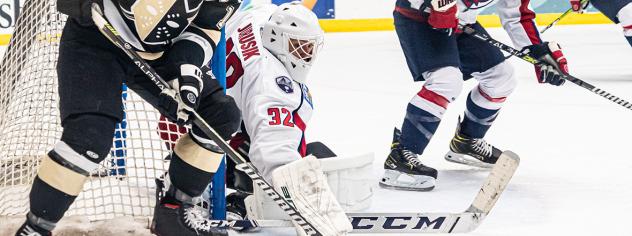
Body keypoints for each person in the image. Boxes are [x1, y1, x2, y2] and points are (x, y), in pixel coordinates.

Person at [14, 0, 242, 235]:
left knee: (219, 115)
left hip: (162, 53)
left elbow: (206, 26)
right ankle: (35, 228)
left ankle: (173, 214)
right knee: (89, 139)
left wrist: (184, 67)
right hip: (96, 38)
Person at [381, 0, 570, 191]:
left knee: (501, 77)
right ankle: (402, 154)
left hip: (462, 23)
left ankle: (467, 141)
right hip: (420, 19)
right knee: (446, 81)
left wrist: (537, 52)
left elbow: (516, 14)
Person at [221, 2, 359, 235]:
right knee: (320, 158)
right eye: (299, 46)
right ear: (276, 38)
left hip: (190, 123)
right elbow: (274, 153)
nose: (307, 55)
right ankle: (239, 197)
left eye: (310, 47)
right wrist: (308, 206)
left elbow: (251, 6)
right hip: (214, 146)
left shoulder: (256, 20)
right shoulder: (273, 86)